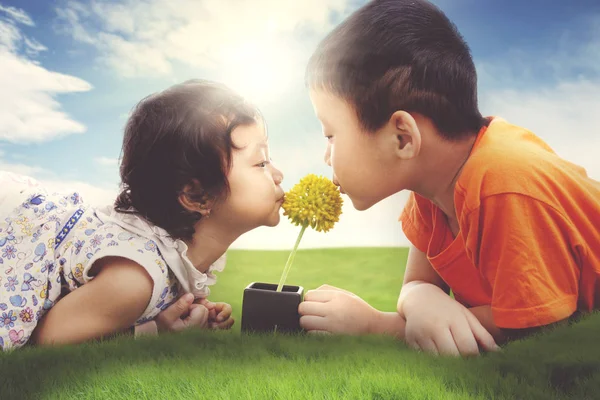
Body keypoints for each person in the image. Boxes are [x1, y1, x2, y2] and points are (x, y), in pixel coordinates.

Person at [298, 0, 600, 356]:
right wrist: (422, 296)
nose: (326, 154)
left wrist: (376, 325)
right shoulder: (431, 189)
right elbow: (416, 284)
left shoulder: (503, 186)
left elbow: (530, 327)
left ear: (403, 138)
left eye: (330, 134)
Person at [0, 79, 285, 350]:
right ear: (197, 196)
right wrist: (155, 329)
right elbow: (49, 337)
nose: (278, 174)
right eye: (261, 163)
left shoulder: (170, 259)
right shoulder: (133, 281)